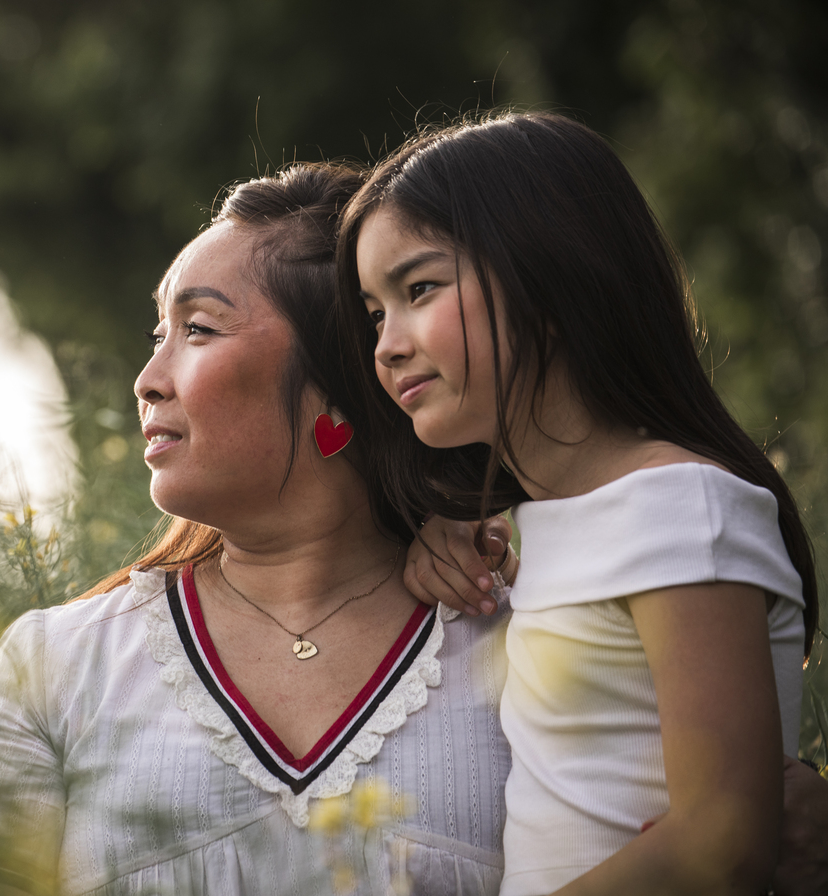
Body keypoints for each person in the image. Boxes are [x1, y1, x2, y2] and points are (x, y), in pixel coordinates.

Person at [0, 162, 523, 895]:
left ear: (344, 377)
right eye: (158, 334)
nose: (148, 379)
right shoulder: (56, 667)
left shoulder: (518, 643)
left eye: (197, 329)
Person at [336, 110, 820, 896]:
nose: (386, 344)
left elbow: (723, 845)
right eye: (374, 314)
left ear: (552, 281)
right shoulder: (541, 529)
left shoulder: (678, 504)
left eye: (419, 289)